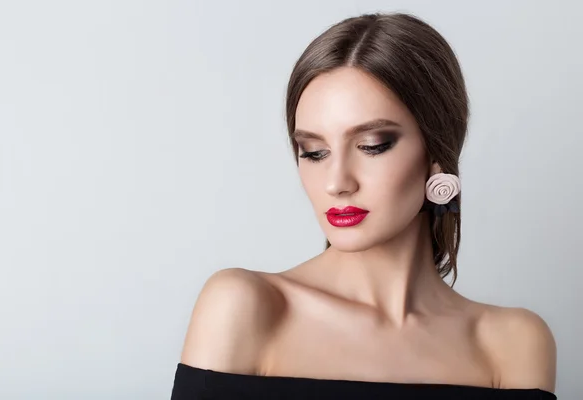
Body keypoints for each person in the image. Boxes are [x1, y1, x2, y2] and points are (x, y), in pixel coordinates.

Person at [170, 12, 557, 399]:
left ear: (436, 154)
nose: (337, 183)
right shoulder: (245, 307)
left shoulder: (512, 344)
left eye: (372, 146)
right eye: (314, 152)